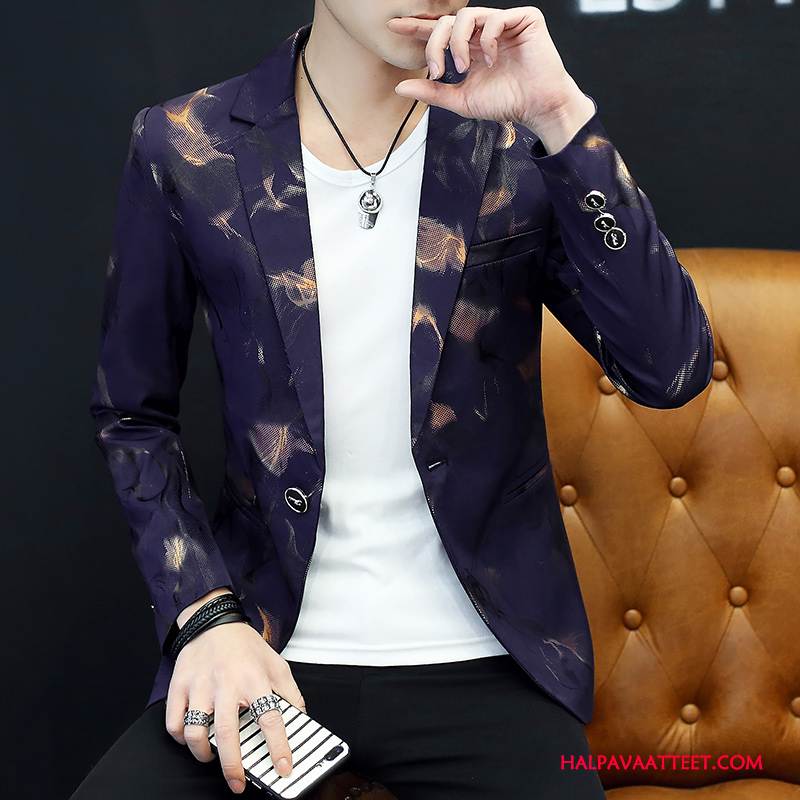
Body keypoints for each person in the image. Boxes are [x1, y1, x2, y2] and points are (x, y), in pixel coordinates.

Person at [72, 2, 714, 798]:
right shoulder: (188, 143)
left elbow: (671, 370)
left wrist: (559, 117)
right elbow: (133, 416)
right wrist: (204, 614)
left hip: (487, 655)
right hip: (264, 645)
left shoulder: (512, 138)